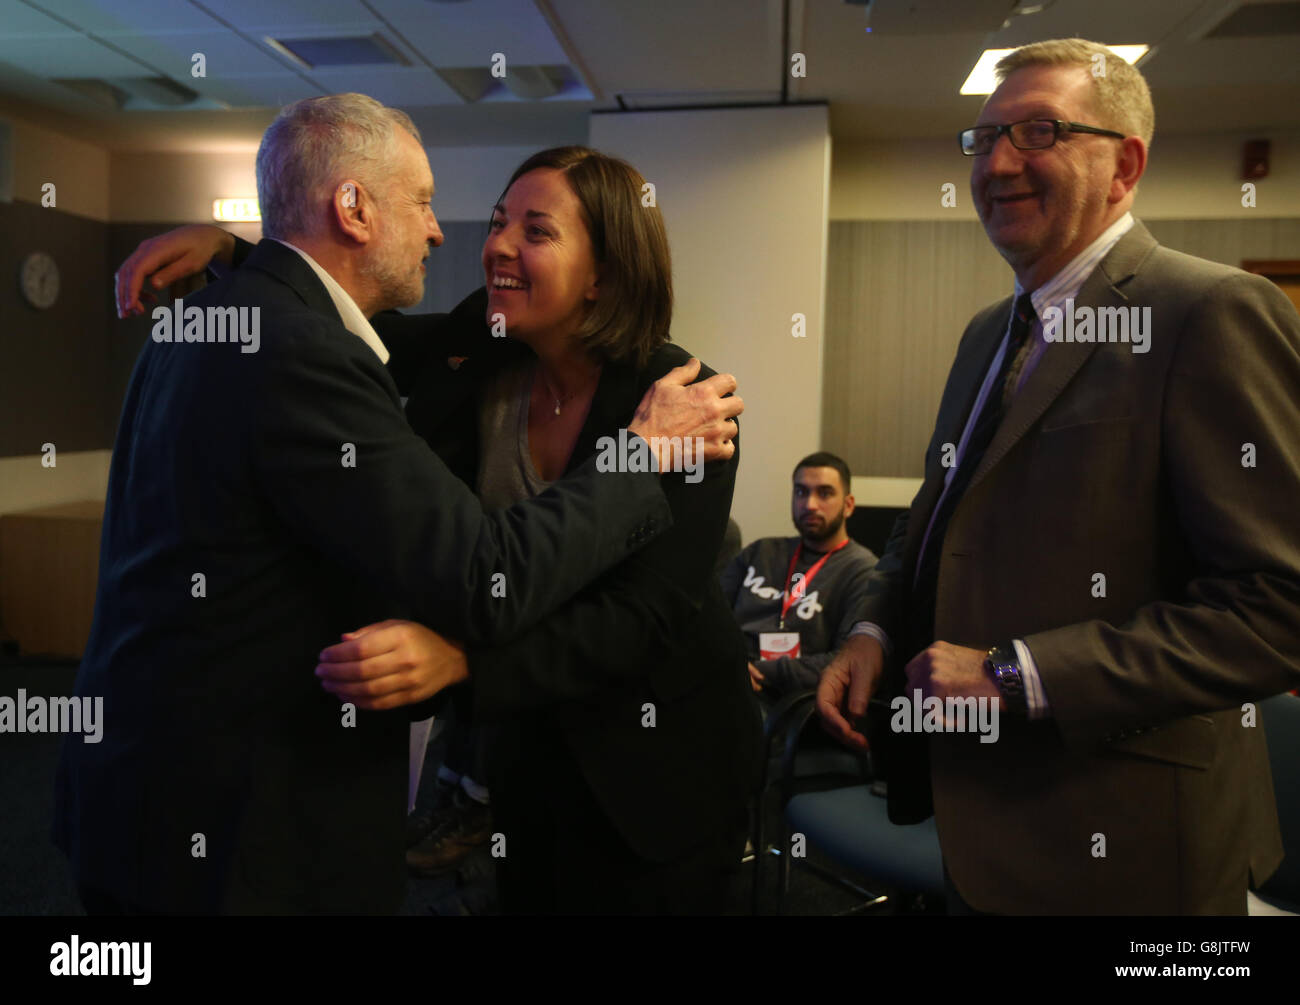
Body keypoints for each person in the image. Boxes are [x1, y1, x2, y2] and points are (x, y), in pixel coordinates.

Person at [58, 95, 742, 916]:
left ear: (605, 271)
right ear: (352, 207)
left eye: (536, 230)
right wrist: (245, 252)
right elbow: (344, 331)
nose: (478, 240)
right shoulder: (479, 350)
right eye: (491, 218)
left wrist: (466, 664)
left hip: (652, 765)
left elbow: (642, 620)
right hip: (512, 759)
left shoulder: (685, 402)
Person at [818, 38, 1300, 915]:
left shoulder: (1210, 311)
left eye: (1039, 131)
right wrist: (873, 633)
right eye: (984, 136)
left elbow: (1275, 607)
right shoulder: (985, 334)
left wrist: (1015, 675)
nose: (999, 162)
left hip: (1133, 849)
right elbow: (935, 521)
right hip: (977, 827)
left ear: (1126, 164)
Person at [720, 452, 876, 700]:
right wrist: (724, 665)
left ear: (848, 505)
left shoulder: (863, 571)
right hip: (724, 679)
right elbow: (710, 618)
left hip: (789, 697)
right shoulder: (760, 552)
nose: (810, 504)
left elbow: (845, 658)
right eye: (801, 492)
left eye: (824, 493)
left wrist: (756, 672)